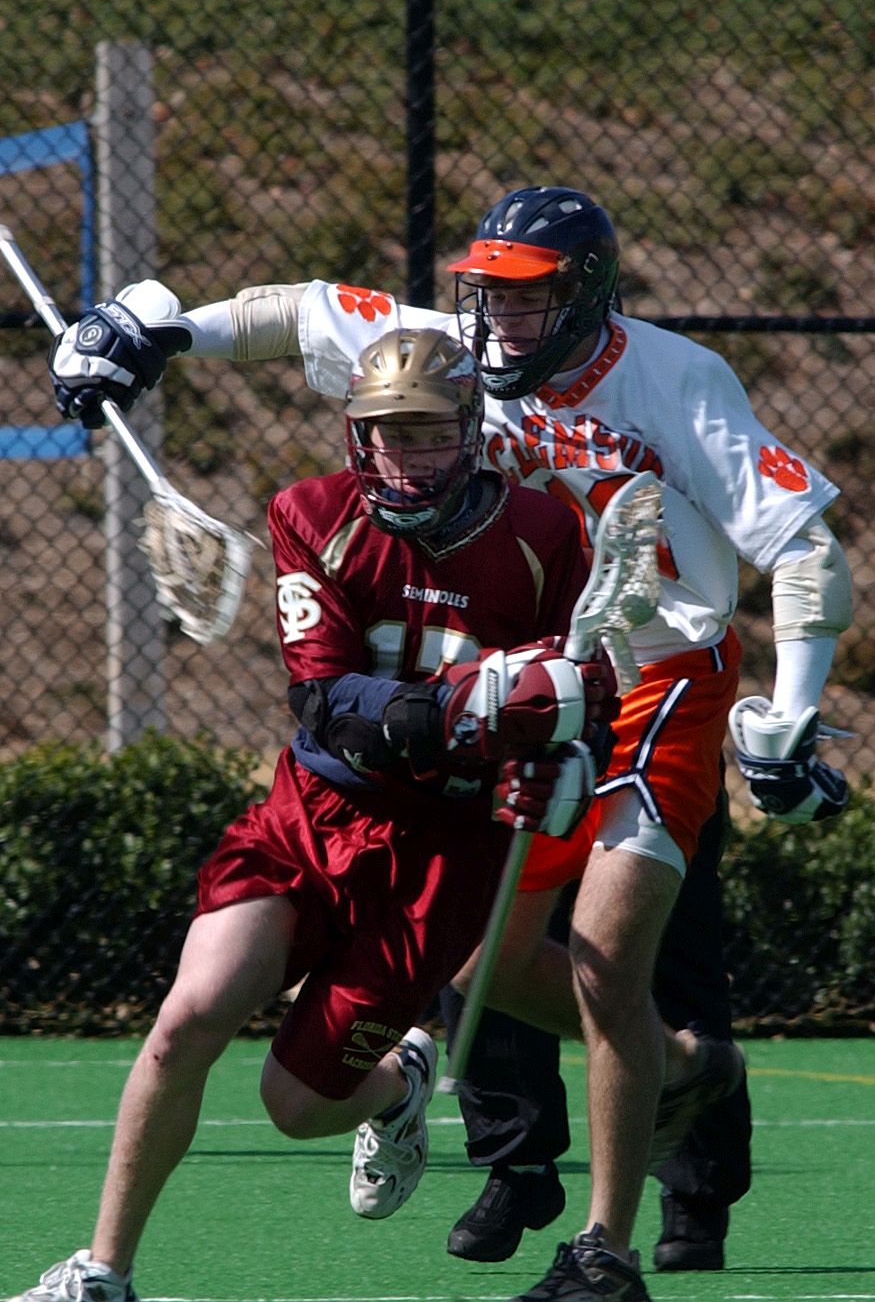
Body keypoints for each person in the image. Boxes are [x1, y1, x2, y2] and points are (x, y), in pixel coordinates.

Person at [42, 184, 853, 1302]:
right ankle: (677, 1065)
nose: (499, 321)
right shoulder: (447, 355)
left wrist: (791, 709)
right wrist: (154, 333)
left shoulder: (677, 379)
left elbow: (803, 548)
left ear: (586, 292)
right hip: (516, 678)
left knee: (608, 951)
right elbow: (298, 311)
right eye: (488, 295)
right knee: (483, 963)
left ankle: (604, 1249)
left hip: (655, 673)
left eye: (526, 298)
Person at [8, 327, 624, 1302]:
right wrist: (460, 704)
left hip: (440, 854)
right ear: (357, 434)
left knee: (294, 1105)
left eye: (428, 431)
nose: (405, 454)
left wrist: (561, 754)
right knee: (187, 1018)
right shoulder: (311, 513)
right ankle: (103, 1272)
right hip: (312, 814)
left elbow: (582, 694)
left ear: (470, 430)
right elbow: (324, 697)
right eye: (387, 432)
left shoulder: (544, 535)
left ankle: (397, 1085)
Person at [440, 784, 753, 1275]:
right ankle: (520, 1162)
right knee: (485, 939)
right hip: (526, 747)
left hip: (647, 749)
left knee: (664, 943)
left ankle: (694, 1188)